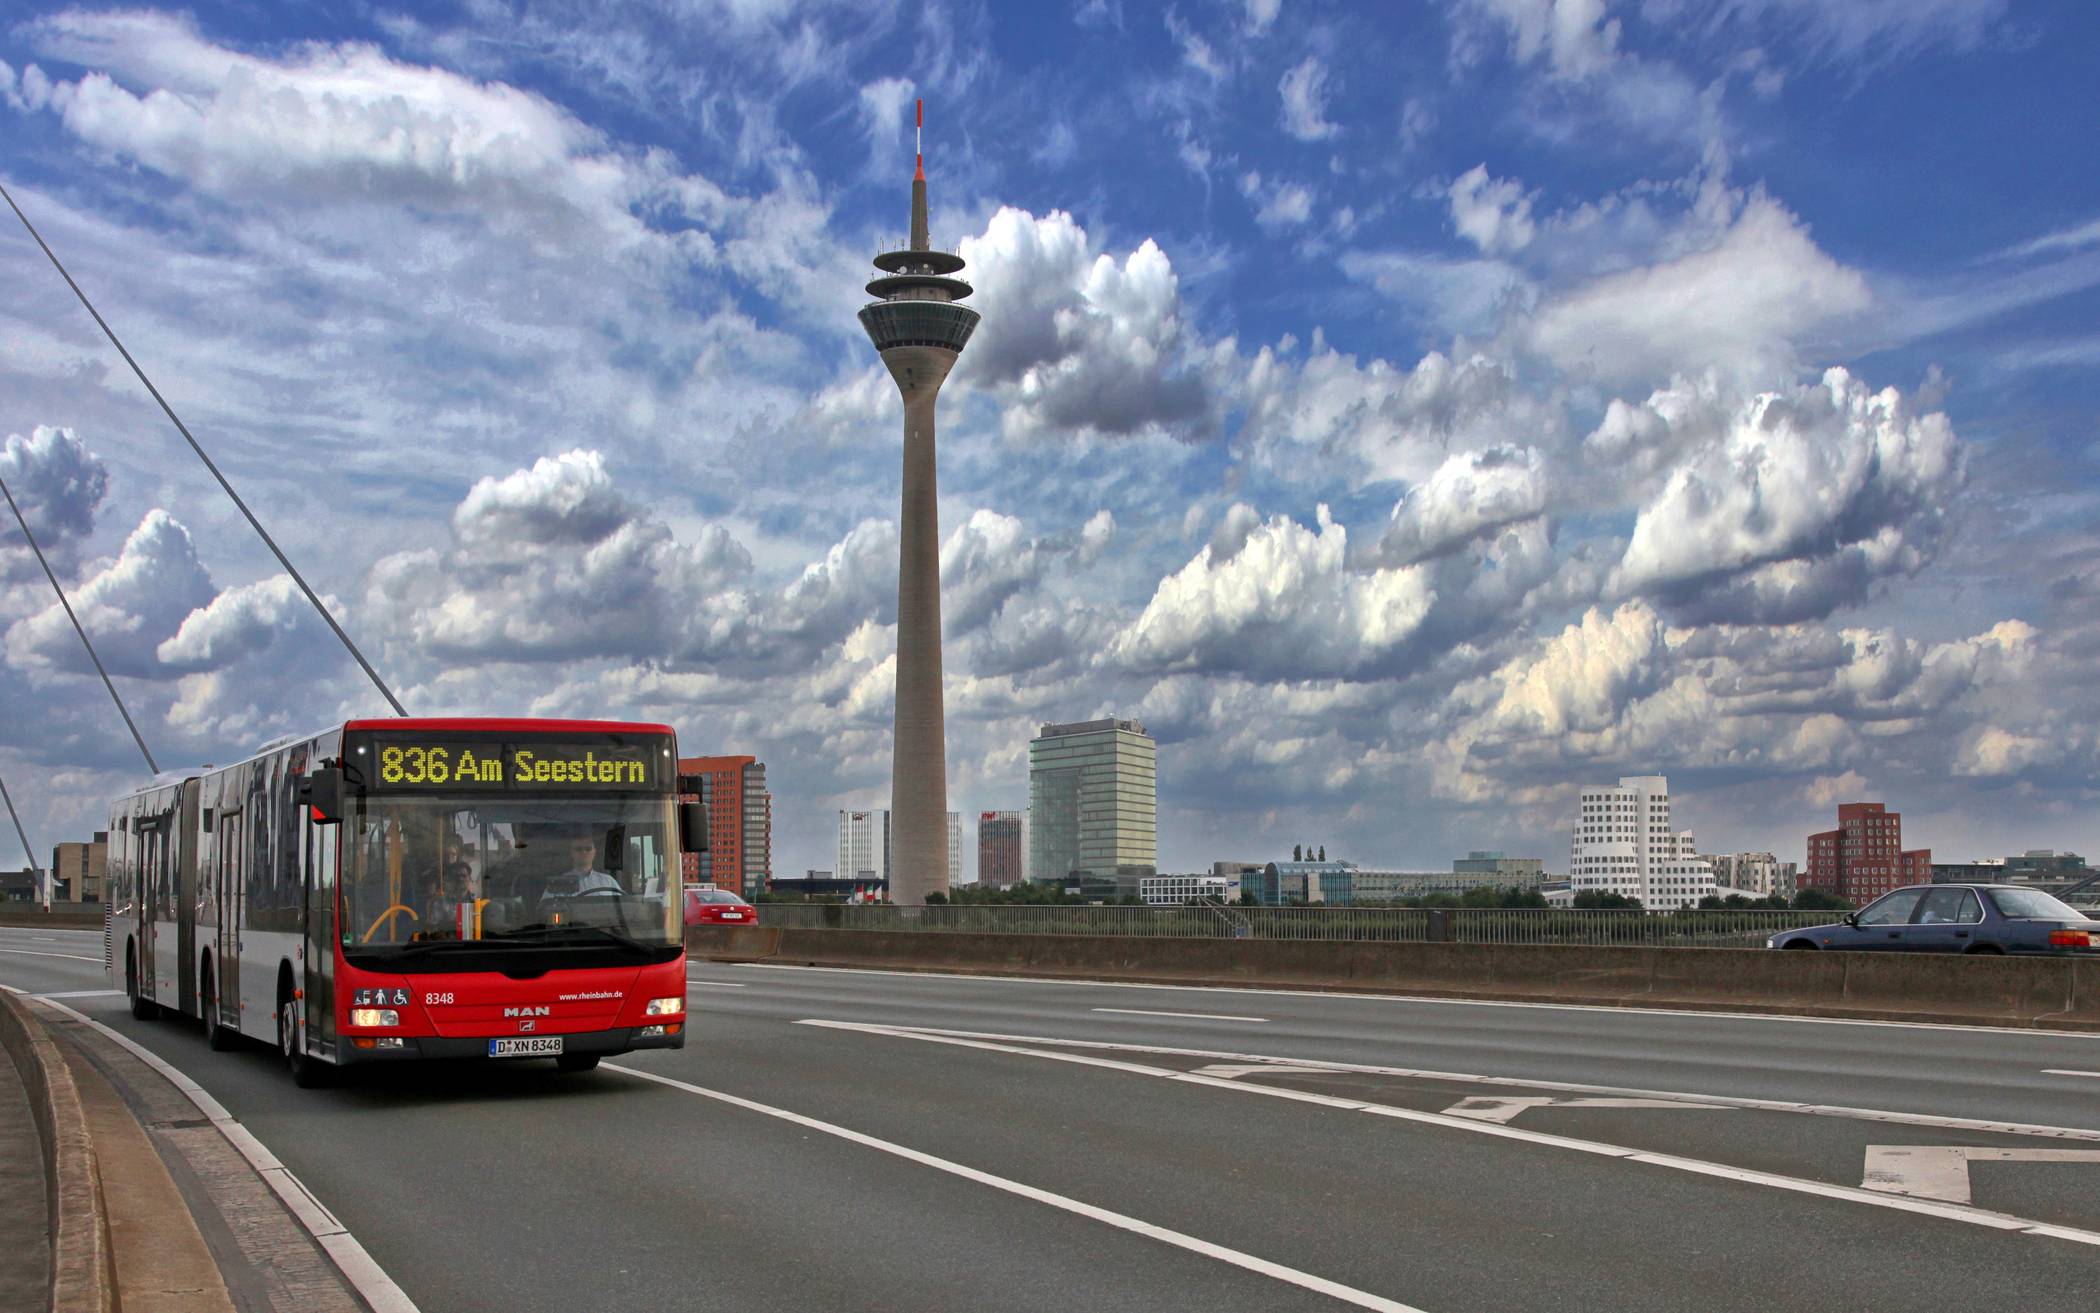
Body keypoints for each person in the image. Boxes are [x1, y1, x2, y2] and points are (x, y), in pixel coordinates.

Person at [543, 836, 620, 900]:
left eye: (588, 849)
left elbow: (623, 907)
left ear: (594, 852)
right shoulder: (558, 883)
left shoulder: (609, 881)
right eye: (578, 849)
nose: (584, 852)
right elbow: (543, 910)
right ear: (571, 852)